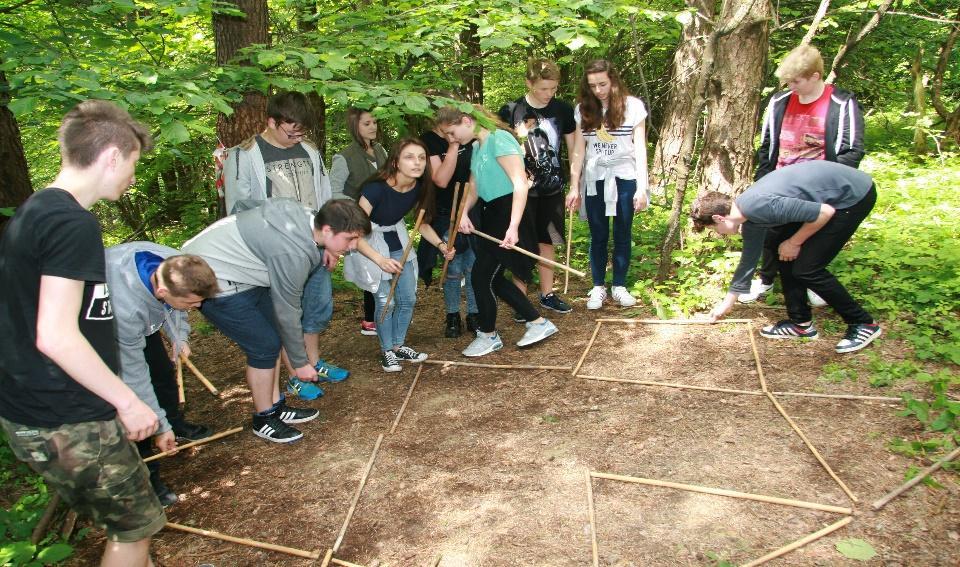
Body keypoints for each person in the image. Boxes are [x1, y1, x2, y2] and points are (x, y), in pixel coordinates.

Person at [0, 100, 164, 567]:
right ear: (113, 155)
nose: (132, 176)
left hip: (38, 408)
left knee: (128, 526)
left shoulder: (35, 211)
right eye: (132, 163)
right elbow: (54, 334)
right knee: (135, 531)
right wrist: (128, 402)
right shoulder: (71, 223)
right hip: (66, 415)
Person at [183, 199, 370, 442]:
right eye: (350, 239)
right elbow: (287, 309)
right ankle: (263, 418)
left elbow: (250, 205)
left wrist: (327, 248)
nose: (353, 246)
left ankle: (275, 406)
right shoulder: (291, 252)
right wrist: (301, 363)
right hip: (209, 279)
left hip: (243, 274)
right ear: (327, 230)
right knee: (264, 346)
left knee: (274, 337)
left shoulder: (307, 217)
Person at [221, 91, 346, 399]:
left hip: (315, 244)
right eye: (291, 132)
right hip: (274, 251)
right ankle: (294, 375)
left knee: (317, 306)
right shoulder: (244, 154)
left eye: (301, 132)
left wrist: (330, 245)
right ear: (271, 121)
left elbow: (325, 196)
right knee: (283, 311)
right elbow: (237, 208)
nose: (296, 138)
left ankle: (313, 362)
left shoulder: (309, 150)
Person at [690, 160, 881, 354]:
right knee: (781, 251)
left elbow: (824, 213)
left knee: (807, 268)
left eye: (713, 229)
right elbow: (747, 263)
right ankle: (801, 323)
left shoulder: (758, 207)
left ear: (719, 218)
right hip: (828, 199)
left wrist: (795, 242)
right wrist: (727, 304)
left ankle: (863, 323)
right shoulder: (749, 217)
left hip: (851, 197)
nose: (717, 232)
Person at [740, 44, 865, 306]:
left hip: (819, 187)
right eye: (788, 81)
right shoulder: (780, 102)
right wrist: (763, 182)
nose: (791, 86)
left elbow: (851, 150)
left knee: (812, 233)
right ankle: (765, 280)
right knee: (773, 234)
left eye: (796, 81)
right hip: (780, 181)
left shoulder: (840, 103)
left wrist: (831, 188)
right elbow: (768, 147)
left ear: (815, 76)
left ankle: (810, 282)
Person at [436, 106, 559, 357]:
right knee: (493, 278)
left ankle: (489, 334)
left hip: (510, 212)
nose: (451, 139)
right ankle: (536, 322)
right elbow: (474, 186)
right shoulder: (477, 147)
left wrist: (513, 226)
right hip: (491, 213)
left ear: (467, 121)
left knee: (481, 276)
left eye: (451, 132)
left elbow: (519, 183)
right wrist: (462, 214)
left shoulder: (498, 139)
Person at [105, 244, 219, 507]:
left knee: (164, 376)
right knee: (135, 403)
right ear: (162, 291)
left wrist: (178, 336)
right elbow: (134, 375)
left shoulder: (175, 264)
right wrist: (158, 425)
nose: (196, 307)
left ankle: (173, 423)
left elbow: (174, 308)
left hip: (142, 316)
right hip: (102, 332)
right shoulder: (125, 308)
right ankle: (148, 476)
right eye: (190, 303)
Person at [343, 138, 454, 371]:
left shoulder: (419, 186)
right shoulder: (375, 189)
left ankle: (398, 346)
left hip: (397, 239)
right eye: (409, 157)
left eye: (422, 158)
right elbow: (354, 233)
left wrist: (441, 245)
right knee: (386, 301)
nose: (417, 163)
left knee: (407, 299)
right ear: (395, 162)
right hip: (369, 242)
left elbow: (421, 223)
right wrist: (380, 260)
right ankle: (386, 351)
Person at [566, 59, 649, 310]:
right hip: (595, 179)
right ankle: (598, 286)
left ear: (613, 79)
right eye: (593, 85)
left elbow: (641, 149)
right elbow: (580, 150)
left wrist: (642, 187)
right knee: (598, 235)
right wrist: (574, 185)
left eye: (602, 84)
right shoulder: (582, 109)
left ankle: (620, 286)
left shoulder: (633, 106)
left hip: (624, 177)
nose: (598, 90)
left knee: (623, 233)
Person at [498, 58, 577, 316]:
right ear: (528, 83)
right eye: (543, 88)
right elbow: (498, 150)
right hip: (522, 190)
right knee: (522, 244)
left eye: (553, 89)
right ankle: (521, 302)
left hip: (552, 189)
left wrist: (575, 184)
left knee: (547, 242)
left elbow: (575, 148)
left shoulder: (562, 110)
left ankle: (547, 293)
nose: (549, 94)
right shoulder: (511, 111)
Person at [330, 107, 389, 337]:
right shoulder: (344, 157)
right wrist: (360, 204)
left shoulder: (381, 151)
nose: (373, 126)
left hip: (384, 219)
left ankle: (383, 314)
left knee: (384, 263)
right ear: (356, 127)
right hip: (360, 220)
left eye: (374, 122)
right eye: (367, 123)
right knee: (370, 267)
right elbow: (334, 191)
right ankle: (369, 319)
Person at [417, 119, 479, 338]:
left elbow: (476, 173)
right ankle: (452, 315)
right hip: (444, 211)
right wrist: (453, 145)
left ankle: (474, 313)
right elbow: (441, 180)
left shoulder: (471, 137)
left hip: (471, 208)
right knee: (452, 268)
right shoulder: (430, 141)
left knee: (473, 266)